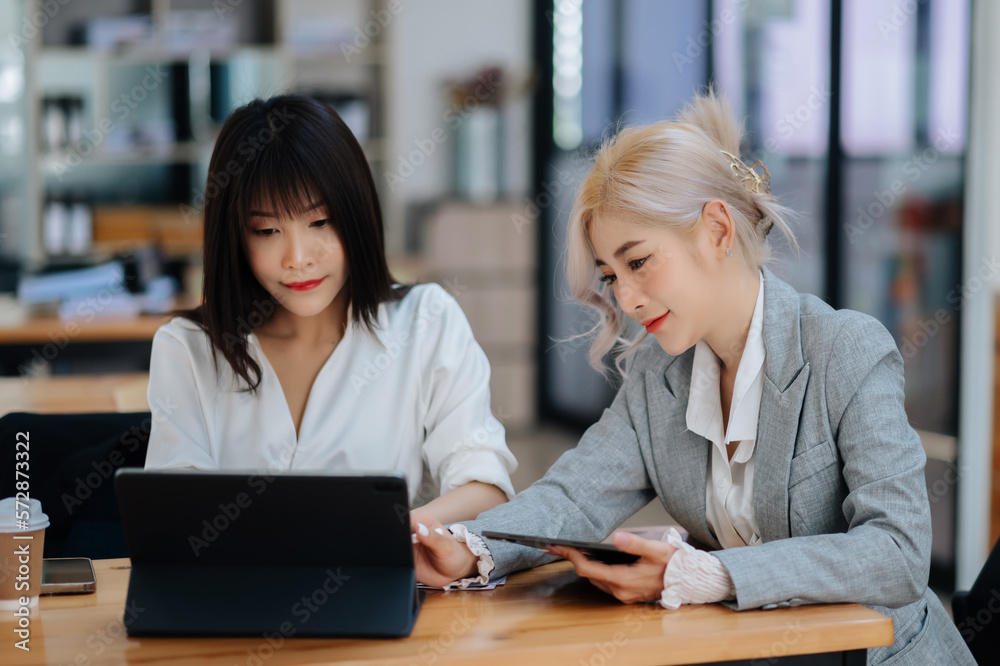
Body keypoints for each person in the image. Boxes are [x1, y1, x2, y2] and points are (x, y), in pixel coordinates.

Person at [410, 90, 974, 664]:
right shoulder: (659, 373)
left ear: (717, 230)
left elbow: (898, 553)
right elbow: (572, 497)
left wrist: (711, 574)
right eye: (610, 276)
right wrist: (472, 547)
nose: (626, 298)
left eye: (638, 262)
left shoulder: (845, 350)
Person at [144, 95, 516, 524]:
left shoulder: (427, 321)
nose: (298, 257)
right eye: (267, 230)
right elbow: (174, 518)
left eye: (319, 222)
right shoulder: (186, 350)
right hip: (237, 591)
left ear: (355, 214)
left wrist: (388, 535)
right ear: (234, 236)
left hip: (383, 581)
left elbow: (485, 488)